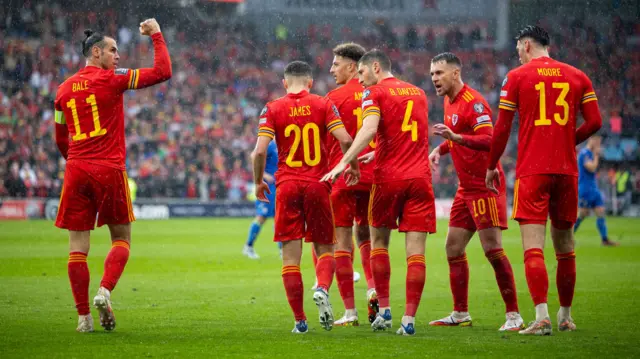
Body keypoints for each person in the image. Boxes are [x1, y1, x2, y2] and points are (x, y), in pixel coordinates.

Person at [54, 19, 172, 332]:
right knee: (121, 239)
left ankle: (83, 319)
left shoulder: (63, 90)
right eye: (112, 50)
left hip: (76, 169)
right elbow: (162, 72)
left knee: (77, 248)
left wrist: (76, 161)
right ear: (96, 52)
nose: (118, 56)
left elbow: (59, 137)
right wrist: (156, 36)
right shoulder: (112, 80)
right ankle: (105, 290)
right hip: (108, 168)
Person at [486, 25, 601, 335]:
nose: (517, 54)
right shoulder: (578, 76)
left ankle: (541, 317)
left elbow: (501, 129)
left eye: (517, 49)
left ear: (525, 46)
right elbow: (596, 122)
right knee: (566, 247)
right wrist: (569, 141)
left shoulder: (517, 77)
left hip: (533, 171)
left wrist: (491, 164)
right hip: (566, 171)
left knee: (532, 248)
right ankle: (565, 316)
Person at [322, 49, 435, 336]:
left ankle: (383, 310)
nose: (360, 79)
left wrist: (345, 161)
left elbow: (369, 129)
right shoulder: (418, 93)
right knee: (416, 253)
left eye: (361, 73)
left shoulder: (374, 93)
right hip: (420, 178)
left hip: (389, 180)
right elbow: (409, 136)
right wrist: (374, 155)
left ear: (375, 67)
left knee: (379, 243)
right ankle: (409, 320)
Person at [252, 60, 359, 333]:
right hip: (317, 184)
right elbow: (346, 140)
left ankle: (300, 321)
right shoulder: (323, 104)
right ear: (310, 82)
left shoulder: (272, 107)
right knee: (325, 248)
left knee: (290, 258)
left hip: (286, 186)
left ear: (284, 83)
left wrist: (257, 182)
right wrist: (352, 166)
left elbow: (259, 152)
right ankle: (322, 287)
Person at [427, 52, 524, 331]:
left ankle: (514, 316)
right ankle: (460, 313)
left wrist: (455, 138)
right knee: (453, 248)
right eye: (432, 73)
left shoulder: (475, 103)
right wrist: (441, 148)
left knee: (492, 249)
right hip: (465, 188)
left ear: (455, 74)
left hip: (484, 185)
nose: (434, 78)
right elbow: (456, 135)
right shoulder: (448, 101)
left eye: (439, 73)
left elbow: (490, 140)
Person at [325, 42, 377, 326]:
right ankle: (373, 291)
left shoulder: (333, 97)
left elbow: (329, 142)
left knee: (342, 243)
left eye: (335, 64)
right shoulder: (377, 94)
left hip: (344, 176)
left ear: (351, 66)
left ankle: (350, 312)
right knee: (370, 238)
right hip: (373, 177)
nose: (332, 69)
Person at [574, 134, 618, 246]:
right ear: (591, 140)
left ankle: (604, 239)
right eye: (597, 141)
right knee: (583, 214)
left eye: (600, 142)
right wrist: (596, 155)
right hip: (585, 188)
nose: (599, 144)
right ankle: (568, 236)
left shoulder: (591, 154)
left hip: (594, 188)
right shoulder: (584, 153)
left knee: (600, 212)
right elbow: (592, 167)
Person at [243, 140, 280, 259]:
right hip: (266, 187)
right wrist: (263, 174)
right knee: (261, 217)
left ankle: (282, 251)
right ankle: (248, 247)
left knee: (279, 218)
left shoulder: (283, 143)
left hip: (279, 186)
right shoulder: (269, 144)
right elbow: (254, 156)